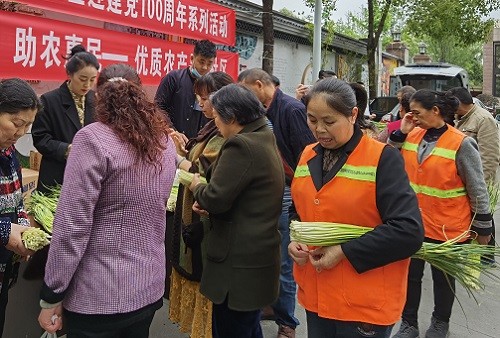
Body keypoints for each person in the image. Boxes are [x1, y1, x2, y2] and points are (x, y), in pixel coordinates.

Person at [37, 64, 177, 337]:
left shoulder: (91, 139)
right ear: (142, 94)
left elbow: (72, 227)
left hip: (98, 294)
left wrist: (51, 294)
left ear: (98, 97)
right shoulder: (163, 142)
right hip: (147, 288)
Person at [288, 78, 423, 338]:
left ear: (353, 115)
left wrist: (343, 251)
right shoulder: (308, 154)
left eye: (329, 122)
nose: (319, 130)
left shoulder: (382, 158)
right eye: (312, 120)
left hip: (363, 303)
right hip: (317, 296)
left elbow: (409, 231)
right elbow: (299, 209)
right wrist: (296, 240)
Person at [390, 90, 493, 338]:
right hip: (413, 224)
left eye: (416, 113)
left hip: (448, 228)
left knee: (443, 280)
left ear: (435, 111)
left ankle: (440, 323)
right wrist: (401, 131)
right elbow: (389, 158)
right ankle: (408, 323)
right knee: (410, 276)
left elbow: (477, 188)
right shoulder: (412, 135)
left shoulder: (461, 143)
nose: (412, 117)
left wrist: (483, 229)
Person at [188, 84, 285, 338]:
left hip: (238, 262)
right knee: (248, 327)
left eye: (217, 115)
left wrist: (198, 186)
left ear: (232, 117)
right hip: (256, 256)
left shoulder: (241, 145)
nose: (215, 121)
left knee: (233, 329)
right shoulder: (262, 134)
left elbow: (215, 197)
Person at [238, 68, 315, 338]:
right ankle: (272, 306)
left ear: (259, 85)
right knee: (270, 258)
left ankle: (287, 322)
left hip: (288, 195)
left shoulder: (290, 109)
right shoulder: (263, 110)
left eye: (246, 90)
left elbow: (308, 156)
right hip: (270, 194)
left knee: (284, 263)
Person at [168, 71, 234, 337]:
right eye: (198, 98)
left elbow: (205, 170)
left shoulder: (225, 133)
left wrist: (177, 159)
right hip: (194, 208)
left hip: (207, 215)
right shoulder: (210, 127)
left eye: (205, 99)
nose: (200, 104)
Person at [0, 78, 41, 335]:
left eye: (27, 126)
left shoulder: (9, 154)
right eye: (16, 123)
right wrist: (5, 231)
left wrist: (25, 230)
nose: (19, 132)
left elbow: (16, 203)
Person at [32, 44, 99, 194]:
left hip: (87, 177)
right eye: (82, 79)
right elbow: (40, 138)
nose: (87, 85)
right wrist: (66, 149)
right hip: (56, 177)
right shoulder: (49, 100)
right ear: (69, 74)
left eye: (92, 79)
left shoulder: (96, 100)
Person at [155, 39, 217, 139]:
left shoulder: (213, 86)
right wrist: (173, 132)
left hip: (199, 143)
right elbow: (158, 108)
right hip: (173, 139)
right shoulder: (173, 78)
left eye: (209, 63)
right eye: (201, 62)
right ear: (192, 58)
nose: (205, 67)